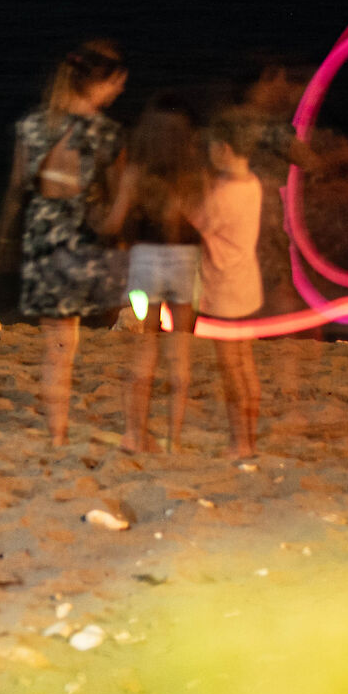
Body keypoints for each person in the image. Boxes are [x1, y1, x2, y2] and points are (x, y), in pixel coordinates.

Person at [0, 41, 130, 446]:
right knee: (71, 342)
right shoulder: (106, 134)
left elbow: (17, 189)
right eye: (116, 84)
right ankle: (61, 430)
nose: (118, 92)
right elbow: (112, 212)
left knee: (55, 343)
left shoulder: (33, 125)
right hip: (80, 238)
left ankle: (56, 431)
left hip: (41, 236)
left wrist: (2, 241)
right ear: (98, 85)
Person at [98, 95, 205, 452]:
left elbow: (113, 222)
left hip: (146, 257)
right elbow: (200, 218)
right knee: (182, 346)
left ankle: (137, 432)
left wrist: (89, 218)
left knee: (147, 343)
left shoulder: (135, 172)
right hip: (183, 257)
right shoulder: (191, 175)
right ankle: (175, 434)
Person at [210, 65, 319, 388]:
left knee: (230, 287)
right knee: (276, 287)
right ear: (266, 78)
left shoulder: (223, 120)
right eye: (287, 80)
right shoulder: (266, 125)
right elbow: (309, 161)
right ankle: (286, 359)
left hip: (222, 214)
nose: (291, 92)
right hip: (260, 217)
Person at [192, 131, 264, 456]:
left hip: (223, 292)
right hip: (246, 287)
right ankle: (249, 438)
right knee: (245, 366)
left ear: (223, 148)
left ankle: (240, 444)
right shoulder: (252, 183)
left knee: (231, 370)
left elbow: (195, 224)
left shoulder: (222, 196)